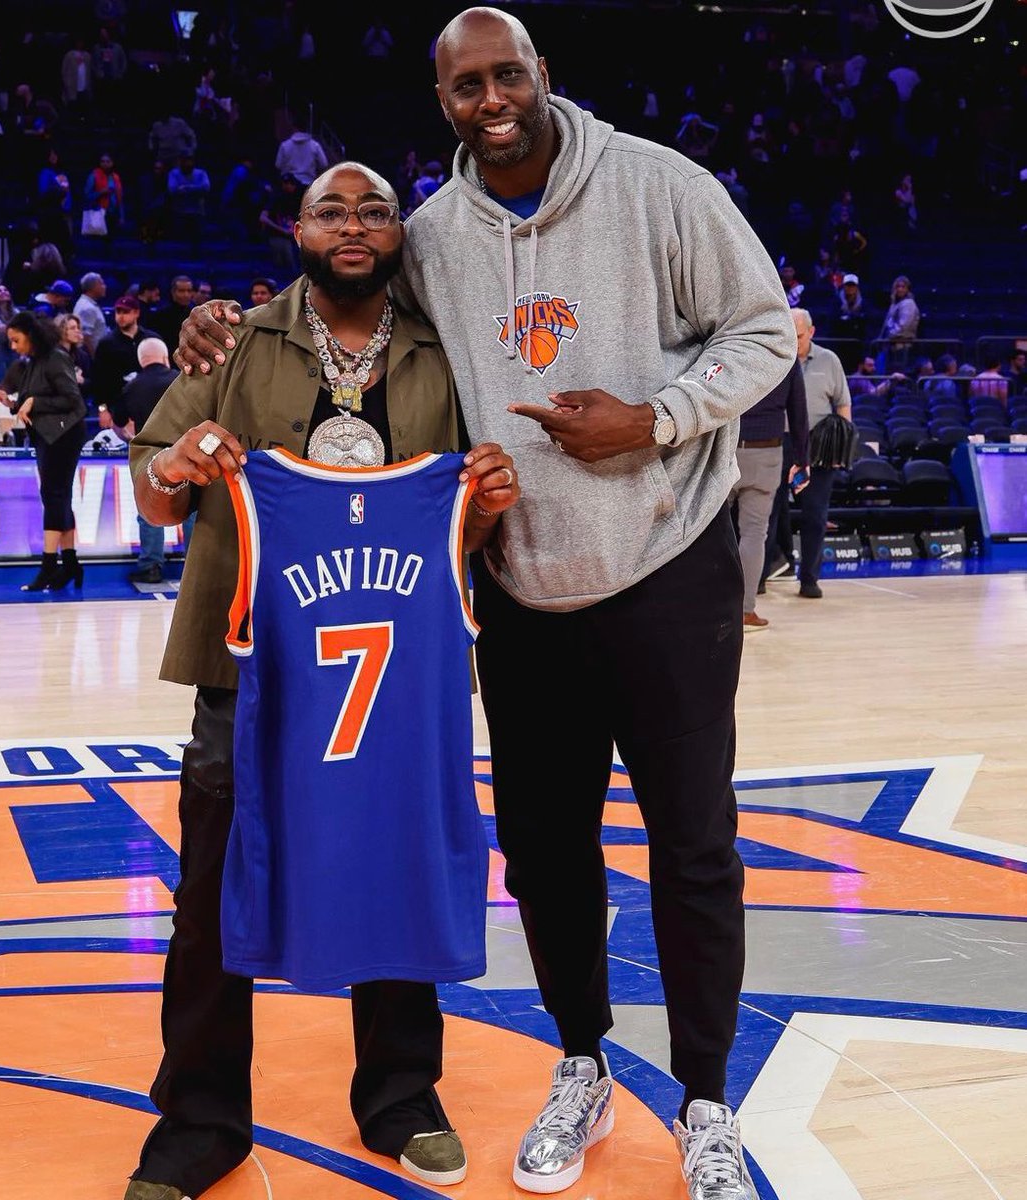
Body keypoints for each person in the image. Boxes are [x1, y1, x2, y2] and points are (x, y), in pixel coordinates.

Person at [176, 10, 796, 1198]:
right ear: (445, 99)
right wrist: (222, 324)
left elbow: (767, 327)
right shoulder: (435, 231)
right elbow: (336, 296)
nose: (492, 97)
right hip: (513, 582)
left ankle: (707, 1100)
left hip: (665, 567)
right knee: (547, 850)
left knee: (694, 842)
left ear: (544, 75)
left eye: (509, 73)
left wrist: (656, 418)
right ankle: (581, 1063)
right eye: (467, 84)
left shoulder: (661, 186)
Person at [124, 160, 519, 1200]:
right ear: (295, 230)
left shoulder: (448, 351)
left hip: (395, 668)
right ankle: (201, 1120)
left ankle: (398, 1094)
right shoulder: (236, 339)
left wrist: (484, 497)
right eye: (331, 210)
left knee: (393, 863)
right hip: (246, 665)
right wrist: (182, 464)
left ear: (401, 234)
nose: (354, 226)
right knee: (211, 889)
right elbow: (155, 490)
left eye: (375, 211)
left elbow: (472, 530)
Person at [2, 310, 87, 592]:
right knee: (60, 498)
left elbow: (72, 400)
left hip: (64, 434)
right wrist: (13, 402)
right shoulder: (34, 361)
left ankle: (49, 566)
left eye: (16, 340)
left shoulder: (56, 357)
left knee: (53, 496)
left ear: (31, 334)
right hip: (47, 434)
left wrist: (34, 402)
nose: (14, 347)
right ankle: (71, 564)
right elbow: (32, 402)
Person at [729, 360, 809, 630]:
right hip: (767, 455)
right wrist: (802, 459)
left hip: (726, 451)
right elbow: (799, 412)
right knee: (754, 535)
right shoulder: (786, 356)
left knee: (711, 534)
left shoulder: (733, 344)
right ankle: (745, 611)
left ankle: (709, 608)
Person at [788, 308, 851, 600]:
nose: (793, 340)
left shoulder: (829, 360)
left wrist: (842, 447)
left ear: (811, 332)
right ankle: (768, 571)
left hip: (820, 446)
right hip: (782, 443)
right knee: (771, 513)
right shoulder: (778, 357)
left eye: (798, 335)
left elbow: (843, 406)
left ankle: (809, 578)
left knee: (815, 515)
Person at [115, 337, 186, 583]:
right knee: (193, 510)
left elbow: (119, 422)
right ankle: (195, 567)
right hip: (184, 452)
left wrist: (130, 434)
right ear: (165, 357)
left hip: (150, 454)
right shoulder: (181, 380)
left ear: (141, 360)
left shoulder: (132, 386)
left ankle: (151, 565)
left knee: (149, 509)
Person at [93, 294, 153, 429]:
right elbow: (99, 382)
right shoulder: (106, 344)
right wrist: (103, 410)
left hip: (148, 406)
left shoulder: (151, 339)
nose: (121, 316)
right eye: (118, 312)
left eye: (125, 312)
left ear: (136, 313)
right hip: (117, 408)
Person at [147, 276, 195, 357]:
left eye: (189, 291)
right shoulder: (159, 315)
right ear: (173, 292)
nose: (186, 295)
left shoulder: (194, 314)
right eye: (181, 291)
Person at [879, 274, 920, 369]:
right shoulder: (895, 303)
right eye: (898, 286)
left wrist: (889, 335)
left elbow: (903, 326)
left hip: (902, 345)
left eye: (903, 287)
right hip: (892, 345)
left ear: (907, 289)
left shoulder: (908, 304)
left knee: (899, 373)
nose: (900, 289)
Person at [274, 116, 328, 185]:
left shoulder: (284, 145)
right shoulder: (315, 145)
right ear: (307, 128)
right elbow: (324, 164)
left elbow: (278, 165)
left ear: (293, 128)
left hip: (290, 185)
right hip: (308, 184)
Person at [55, 313, 92, 397]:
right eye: (72, 328)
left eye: (78, 327)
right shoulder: (52, 356)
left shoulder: (82, 355)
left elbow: (91, 382)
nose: (77, 331)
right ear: (62, 331)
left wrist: (82, 381)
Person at [73, 272, 108, 355]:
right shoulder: (87, 307)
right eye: (102, 284)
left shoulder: (89, 304)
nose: (105, 287)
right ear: (93, 287)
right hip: (90, 358)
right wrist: (94, 359)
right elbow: (85, 338)